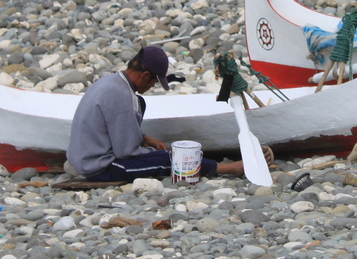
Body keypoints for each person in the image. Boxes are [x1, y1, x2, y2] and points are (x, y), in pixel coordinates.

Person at [68, 45, 253, 181]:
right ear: (145, 76)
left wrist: (143, 137)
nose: (151, 87)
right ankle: (228, 168)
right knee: (170, 159)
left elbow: (112, 124)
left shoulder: (111, 83)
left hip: (84, 158)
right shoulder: (121, 96)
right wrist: (149, 152)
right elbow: (127, 152)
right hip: (100, 168)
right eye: (153, 83)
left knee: (140, 104)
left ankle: (216, 165)